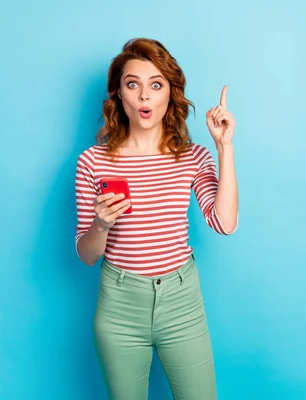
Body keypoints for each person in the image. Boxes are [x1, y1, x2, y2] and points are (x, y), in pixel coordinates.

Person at [74, 38, 239, 400]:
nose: (144, 96)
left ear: (170, 93)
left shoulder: (193, 156)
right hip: (119, 305)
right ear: (119, 94)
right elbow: (87, 255)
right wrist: (100, 225)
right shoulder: (92, 161)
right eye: (133, 84)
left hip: (182, 302)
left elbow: (224, 223)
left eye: (156, 84)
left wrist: (224, 147)